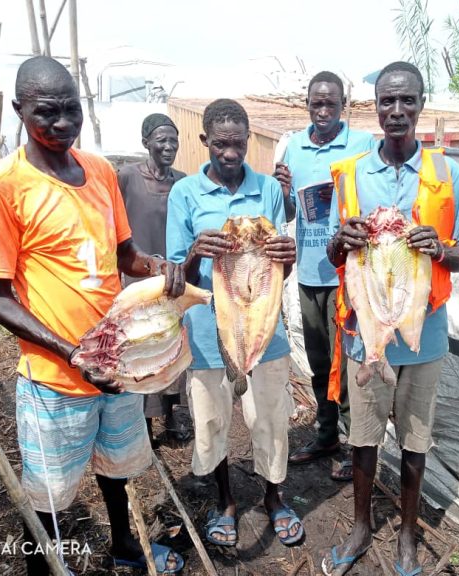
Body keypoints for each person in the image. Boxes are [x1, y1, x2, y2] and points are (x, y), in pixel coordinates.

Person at [0, 56, 185, 575]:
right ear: (19, 109)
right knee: (49, 491)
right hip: (54, 378)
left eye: (72, 110)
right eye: (47, 113)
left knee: (117, 469)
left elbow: (123, 255)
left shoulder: (101, 171)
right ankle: (41, 566)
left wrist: (157, 266)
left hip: (116, 366)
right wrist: (71, 352)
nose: (62, 123)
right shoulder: (2, 188)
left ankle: (125, 545)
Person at [321, 61, 459, 576]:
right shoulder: (350, 174)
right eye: (387, 100)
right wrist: (340, 241)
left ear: (421, 105)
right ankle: (362, 526)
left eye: (406, 100)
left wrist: (442, 247)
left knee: (414, 442)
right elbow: (334, 253)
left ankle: (407, 535)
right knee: (363, 438)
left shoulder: (446, 174)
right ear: (375, 107)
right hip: (365, 329)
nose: (396, 110)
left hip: (423, 334)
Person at [166, 98, 305, 548]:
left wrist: (291, 254)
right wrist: (195, 253)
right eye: (221, 144)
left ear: (248, 142)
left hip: (265, 327)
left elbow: (279, 254)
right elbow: (175, 277)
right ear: (204, 141)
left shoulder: (267, 189)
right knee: (211, 420)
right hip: (209, 333)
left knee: (270, 417)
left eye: (239, 144)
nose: (230, 153)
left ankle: (274, 497)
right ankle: (226, 501)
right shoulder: (184, 194)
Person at [274, 71, 376, 482]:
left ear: (343, 106)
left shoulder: (363, 145)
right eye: (316, 103)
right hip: (309, 273)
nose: (323, 110)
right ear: (307, 105)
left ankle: (355, 445)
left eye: (330, 103)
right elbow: (290, 214)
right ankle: (326, 434)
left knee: (347, 362)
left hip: (347, 278)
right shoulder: (293, 149)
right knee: (319, 362)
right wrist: (282, 193)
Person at [118, 113, 190, 447]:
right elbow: (115, 227)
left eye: (173, 140)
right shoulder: (127, 178)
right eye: (161, 140)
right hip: (138, 280)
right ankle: (143, 427)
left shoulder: (183, 181)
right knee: (142, 349)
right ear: (145, 142)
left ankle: (172, 415)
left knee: (171, 346)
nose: (168, 146)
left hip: (173, 281)